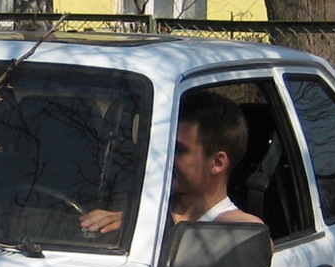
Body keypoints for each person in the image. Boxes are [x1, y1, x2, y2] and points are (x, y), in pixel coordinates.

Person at [79, 89, 265, 235]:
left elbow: (257, 242)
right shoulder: (135, 204)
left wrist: (145, 227)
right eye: (162, 145)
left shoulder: (232, 223)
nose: (164, 156)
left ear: (217, 162)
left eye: (178, 150)